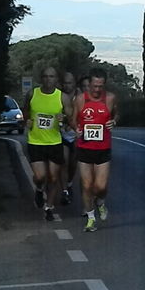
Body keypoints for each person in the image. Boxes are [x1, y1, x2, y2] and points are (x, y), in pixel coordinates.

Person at [23, 67, 73, 221]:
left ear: (56, 79)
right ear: (41, 78)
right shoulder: (33, 93)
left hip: (54, 142)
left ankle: (49, 207)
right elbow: (25, 110)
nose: (48, 79)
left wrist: (63, 119)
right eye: (45, 76)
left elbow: (70, 118)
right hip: (35, 141)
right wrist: (27, 121)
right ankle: (39, 189)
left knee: (52, 177)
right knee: (40, 176)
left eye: (51, 76)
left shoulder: (62, 97)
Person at [71, 68, 118, 232]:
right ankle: (91, 218)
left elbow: (115, 114)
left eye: (100, 86)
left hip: (103, 148)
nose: (97, 89)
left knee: (101, 187)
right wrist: (75, 128)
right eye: (94, 86)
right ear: (89, 84)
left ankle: (100, 203)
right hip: (84, 147)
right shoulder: (80, 99)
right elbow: (73, 118)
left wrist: (114, 122)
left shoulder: (110, 98)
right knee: (86, 185)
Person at [59, 72, 79, 205]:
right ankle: (64, 191)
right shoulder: (58, 96)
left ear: (74, 83)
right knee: (64, 162)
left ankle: (70, 183)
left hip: (76, 135)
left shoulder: (81, 96)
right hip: (62, 134)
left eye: (70, 82)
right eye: (65, 83)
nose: (67, 85)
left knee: (73, 164)